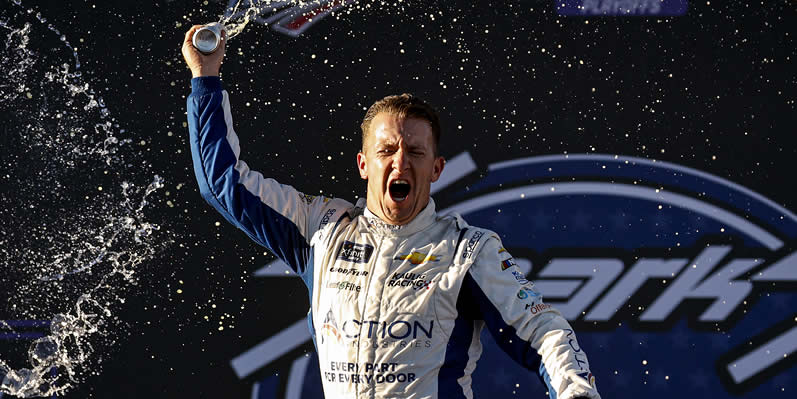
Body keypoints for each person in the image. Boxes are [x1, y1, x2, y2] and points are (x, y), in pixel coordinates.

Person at [182, 25, 601, 399]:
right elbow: (224, 185)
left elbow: (544, 332)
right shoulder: (322, 229)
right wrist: (205, 78)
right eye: (386, 151)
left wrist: (575, 391)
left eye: (415, 152)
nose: (400, 163)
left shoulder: (468, 252)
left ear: (436, 168)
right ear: (364, 164)